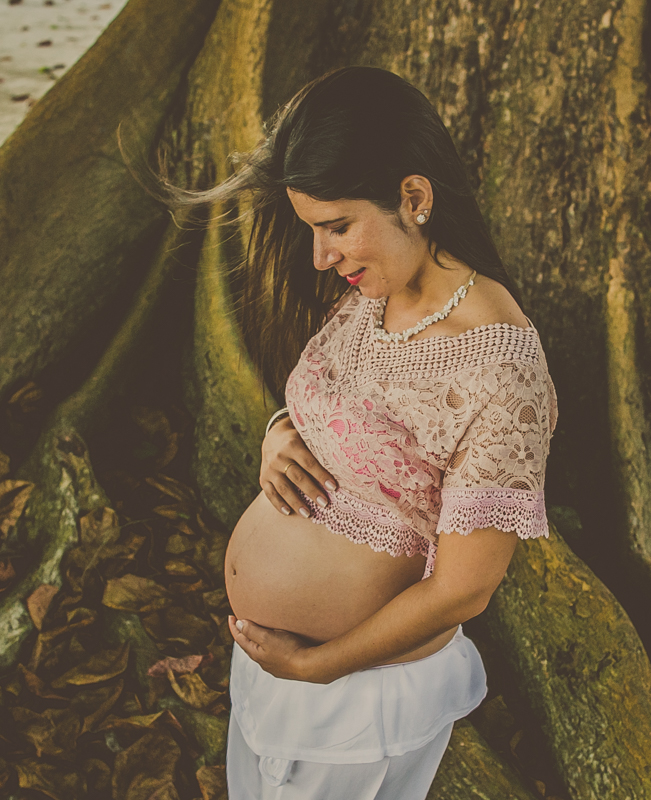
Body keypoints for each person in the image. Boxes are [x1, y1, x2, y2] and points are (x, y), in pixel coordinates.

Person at [150, 66, 558, 798]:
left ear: (414, 197)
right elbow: (342, 419)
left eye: (336, 226)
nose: (320, 255)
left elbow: (466, 590)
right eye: (314, 229)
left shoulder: (502, 369)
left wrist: (320, 665)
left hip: (356, 700)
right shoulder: (376, 293)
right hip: (278, 680)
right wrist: (279, 432)